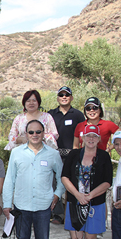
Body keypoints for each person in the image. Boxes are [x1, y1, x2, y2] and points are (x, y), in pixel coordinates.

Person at [3, 120, 64, 239]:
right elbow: (9, 179)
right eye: (31, 132)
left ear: (44, 133)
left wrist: (57, 195)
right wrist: (7, 204)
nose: (35, 135)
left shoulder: (53, 154)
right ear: (26, 134)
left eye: (38, 132)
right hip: (21, 206)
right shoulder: (16, 153)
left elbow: (62, 178)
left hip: (44, 206)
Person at [61, 125, 112, 239]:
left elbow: (107, 182)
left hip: (95, 204)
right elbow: (65, 177)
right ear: (82, 138)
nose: (91, 139)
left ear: (99, 139)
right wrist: (77, 195)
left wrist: (90, 196)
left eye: (94, 136)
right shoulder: (74, 155)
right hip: (75, 202)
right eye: (88, 136)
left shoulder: (104, 156)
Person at [48, 87, 85, 224]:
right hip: (54, 154)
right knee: (53, 183)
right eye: (61, 95)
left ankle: (72, 213)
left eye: (67, 95)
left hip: (72, 155)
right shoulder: (51, 114)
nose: (64, 97)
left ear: (71, 98)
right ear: (58, 98)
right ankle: (58, 214)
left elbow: (82, 135)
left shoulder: (78, 115)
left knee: (72, 184)